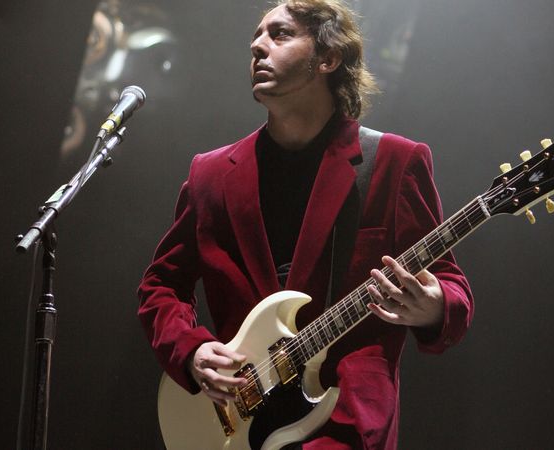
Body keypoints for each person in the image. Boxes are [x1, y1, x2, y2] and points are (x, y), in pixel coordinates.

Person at [138, 1, 474, 448]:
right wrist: (192, 350)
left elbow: (449, 283)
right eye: (256, 37)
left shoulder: (394, 162)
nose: (258, 46)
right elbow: (161, 285)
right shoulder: (211, 174)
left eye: (279, 34)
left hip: (347, 425)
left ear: (328, 58)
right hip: (238, 418)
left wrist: (433, 306)